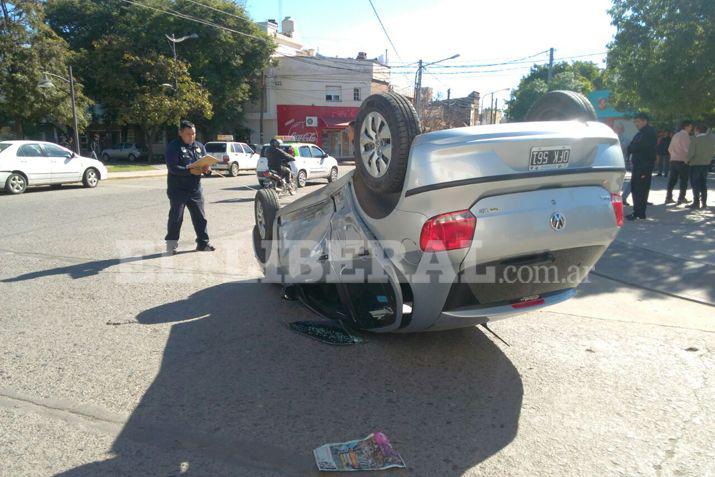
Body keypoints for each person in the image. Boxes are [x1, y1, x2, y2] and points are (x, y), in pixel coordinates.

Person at [164, 120, 215, 255]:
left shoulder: (199, 146)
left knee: (200, 217)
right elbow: (173, 168)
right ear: (180, 133)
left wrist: (207, 169)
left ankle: (203, 243)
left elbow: (205, 163)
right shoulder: (173, 147)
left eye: (193, 134)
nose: (191, 137)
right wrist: (189, 171)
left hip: (195, 188)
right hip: (178, 189)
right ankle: (171, 246)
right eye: (188, 134)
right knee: (176, 217)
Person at [626, 113, 657, 221]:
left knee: (640, 190)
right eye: (635, 122)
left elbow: (636, 146)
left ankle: (639, 212)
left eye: (638, 121)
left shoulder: (648, 133)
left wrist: (632, 148)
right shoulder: (642, 132)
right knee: (636, 189)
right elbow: (631, 146)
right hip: (639, 165)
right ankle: (638, 212)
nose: (636, 124)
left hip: (643, 166)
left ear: (644, 121)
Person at [686, 123, 714, 209]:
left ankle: (696, 202)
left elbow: (691, 153)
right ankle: (704, 202)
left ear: (697, 130)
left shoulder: (695, 140)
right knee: (703, 184)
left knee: (695, 184)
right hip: (706, 164)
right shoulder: (711, 140)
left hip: (695, 164)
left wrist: (686, 161)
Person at [666, 120, 694, 204]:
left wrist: (673, 155)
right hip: (682, 160)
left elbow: (669, 148)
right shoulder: (685, 136)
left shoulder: (676, 135)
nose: (691, 128)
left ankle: (668, 197)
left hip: (673, 160)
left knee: (672, 180)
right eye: (690, 127)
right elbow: (688, 149)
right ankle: (681, 197)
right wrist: (690, 158)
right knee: (683, 180)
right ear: (686, 126)